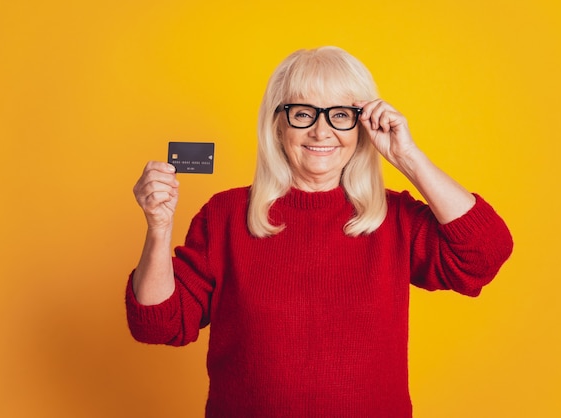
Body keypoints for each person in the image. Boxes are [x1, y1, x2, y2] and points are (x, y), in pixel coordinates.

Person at [126, 46, 513, 417]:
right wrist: (158, 229)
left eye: (340, 115)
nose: (321, 131)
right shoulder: (224, 216)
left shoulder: (393, 218)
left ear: (362, 125)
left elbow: (484, 255)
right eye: (303, 113)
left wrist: (407, 158)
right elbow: (159, 325)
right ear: (278, 124)